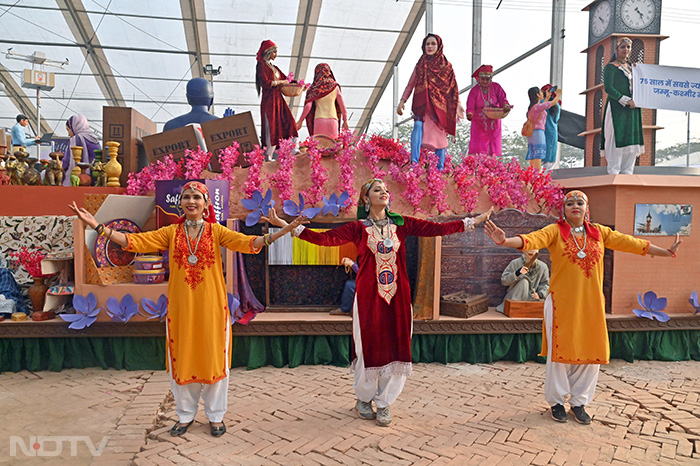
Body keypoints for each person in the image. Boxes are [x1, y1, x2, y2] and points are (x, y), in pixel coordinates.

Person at [69, 181, 305, 438]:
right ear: (180, 203)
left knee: (214, 360)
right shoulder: (171, 232)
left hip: (212, 308)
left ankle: (215, 417)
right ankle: (185, 415)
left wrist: (283, 231)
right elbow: (135, 241)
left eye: (196, 197)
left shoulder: (217, 232)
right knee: (183, 360)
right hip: (181, 309)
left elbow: (250, 242)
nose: (191, 201)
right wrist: (97, 227)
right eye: (186, 197)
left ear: (206, 204)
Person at [269, 179, 492, 427]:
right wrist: (284, 226)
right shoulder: (357, 228)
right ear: (366, 199)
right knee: (368, 347)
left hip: (398, 296)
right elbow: (325, 240)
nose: (384, 192)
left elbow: (435, 229)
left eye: (385, 189)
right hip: (368, 298)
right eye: (377, 189)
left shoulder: (402, 224)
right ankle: (364, 399)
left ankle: (385, 403)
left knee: (397, 347)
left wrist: (472, 222)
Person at [484, 190, 681, 425]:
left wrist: (666, 252)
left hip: (592, 304)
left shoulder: (600, 233)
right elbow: (531, 240)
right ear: (563, 209)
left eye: (580, 202)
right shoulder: (555, 231)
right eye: (570, 203)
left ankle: (579, 403)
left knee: (590, 354)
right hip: (560, 304)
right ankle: (557, 402)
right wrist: (505, 241)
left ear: (587, 208)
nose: (575, 206)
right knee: (560, 355)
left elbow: (633, 243)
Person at [396, 34, 464, 171]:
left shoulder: (447, 67)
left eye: (433, 44)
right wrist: (402, 101)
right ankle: (414, 164)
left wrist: (459, 104)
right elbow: (411, 84)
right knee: (417, 128)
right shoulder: (420, 65)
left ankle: (439, 169)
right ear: (423, 46)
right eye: (428, 44)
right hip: (422, 106)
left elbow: (453, 88)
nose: (430, 47)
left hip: (440, 109)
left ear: (439, 46)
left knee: (440, 137)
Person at [601, 37, 644, 175]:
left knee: (630, 140)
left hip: (633, 109)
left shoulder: (634, 68)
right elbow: (609, 88)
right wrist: (625, 100)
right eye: (623, 47)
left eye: (628, 47)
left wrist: (636, 100)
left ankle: (627, 173)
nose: (626, 50)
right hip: (617, 108)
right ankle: (613, 172)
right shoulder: (610, 68)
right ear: (617, 49)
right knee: (615, 138)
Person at [256, 39, 298, 159]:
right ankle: (268, 154)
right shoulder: (261, 65)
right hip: (269, 100)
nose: (276, 55)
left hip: (278, 99)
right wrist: (281, 82)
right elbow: (265, 83)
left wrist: (298, 84)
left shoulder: (274, 67)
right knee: (271, 126)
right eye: (274, 52)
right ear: (268, 52)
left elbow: (286, 79)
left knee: (289, 121)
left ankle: (293, 149)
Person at [465, 65, 511, 156]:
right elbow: (470, 106)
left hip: (494, 124)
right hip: (479, 124)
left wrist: (506, 106)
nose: (485, 81)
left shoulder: (496, 87)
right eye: (483, 79)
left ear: (491, 79)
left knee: (492, 152)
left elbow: (503, 100)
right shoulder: (474, 91)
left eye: (487, 79)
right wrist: (469, 114)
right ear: (479, 79)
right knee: (479, 151)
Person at [297, 63, 349, 139]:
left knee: (319, 147)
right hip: (333, 120)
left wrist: (300, 121)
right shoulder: (335, 86)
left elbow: (308, 107)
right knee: (333, 148)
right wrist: (345, 121)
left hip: (319, 120)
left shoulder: (314, 89)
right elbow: (343, 106)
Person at [525, 87, 561, 170]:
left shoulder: (535, 105)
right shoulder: (555, 105)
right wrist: (559, 94)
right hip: (549, 134)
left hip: (535, 134)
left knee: (534, 162)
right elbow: (556, 119)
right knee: (548, 167)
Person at [62, 115, 101, 186]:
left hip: (82, 179)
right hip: (96, 177)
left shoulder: (76, 139)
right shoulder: (94, 139)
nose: (68, 134)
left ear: (74, 127)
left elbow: (67, 161)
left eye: (68, 130)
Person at [541, 84, 561, 171]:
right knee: (549, 164)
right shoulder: (557, 106)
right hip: (552, 132)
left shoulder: (541, 103)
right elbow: (557, 118)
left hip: (541, 132)